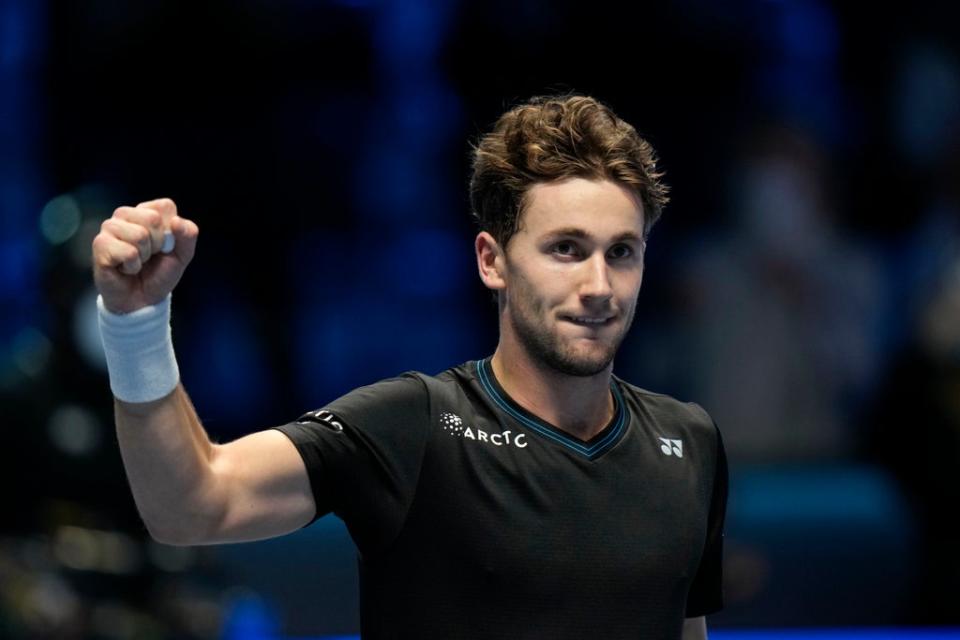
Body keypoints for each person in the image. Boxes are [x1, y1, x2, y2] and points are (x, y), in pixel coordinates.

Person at [92, 94, 727, 639]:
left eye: (622, 252)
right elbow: (191, 506)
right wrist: (136, 325)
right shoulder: (413, 427)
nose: (599, 285)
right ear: (492, 260)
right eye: (565, 248)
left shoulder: (690, 442)